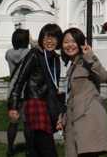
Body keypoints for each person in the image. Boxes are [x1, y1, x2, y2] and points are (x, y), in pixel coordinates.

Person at [9, 23, 64, 157]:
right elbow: (20, 81)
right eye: (46, 38)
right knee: (46, 143)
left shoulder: (56, 59)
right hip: (35, 101)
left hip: (48, 102)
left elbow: (52, 81)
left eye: (53, 38)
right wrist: (13, 107)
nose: (49, 41)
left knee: (38, 145)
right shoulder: (34, 55)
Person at [60, 27, 107, 157]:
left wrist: (89, 55)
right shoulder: (72, 66)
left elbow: (103, 76)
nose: (70, 45)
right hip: (75, 118)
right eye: (66, 42)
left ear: (81, 43)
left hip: (88, 118)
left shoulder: (87, 61)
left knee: (87, 153)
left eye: (73, 41)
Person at [6, 28, 32, 157]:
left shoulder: (8, 53)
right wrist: (32, 42)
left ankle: (10, 149)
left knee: (12, 122)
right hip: (26, 90)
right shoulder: (29, 53)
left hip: (12, 91)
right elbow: (39, 51)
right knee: (27, 122)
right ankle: (28, 150)